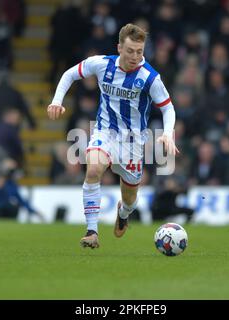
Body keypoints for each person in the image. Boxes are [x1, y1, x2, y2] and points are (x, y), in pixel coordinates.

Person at [47, 24, 179, 249]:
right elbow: (70, 74)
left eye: (139, 51)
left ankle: (123, 212)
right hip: (105, 132)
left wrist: (168, 134)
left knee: (130, 199)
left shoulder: (150, 77)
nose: (135, 56)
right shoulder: (102, 64)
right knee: (94, 169)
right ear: (119, 48)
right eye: (130, 51)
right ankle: (92, 231)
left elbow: (168, 108)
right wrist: (57, 101)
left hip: (133, 143)